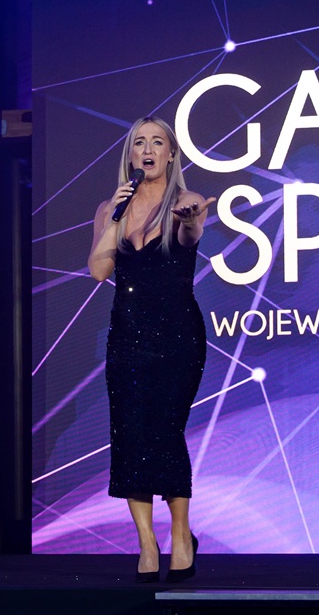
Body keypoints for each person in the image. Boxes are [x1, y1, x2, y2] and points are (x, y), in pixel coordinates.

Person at [87, 117, 214, 582]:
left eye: (157, 142)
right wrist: (114, 218)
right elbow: (98, 271)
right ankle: (146, 543)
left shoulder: (186, 202)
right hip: (127, 337)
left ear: (170, 154)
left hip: (178, 337)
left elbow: (188, 236)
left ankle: (181, 534)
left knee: (165, 431)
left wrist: (191, 221)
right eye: (140, 142)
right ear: (131, 155)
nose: (148, 149)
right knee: (130, 435)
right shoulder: (110, 208)